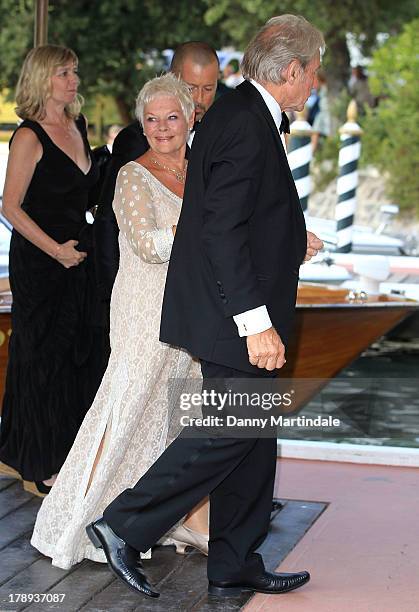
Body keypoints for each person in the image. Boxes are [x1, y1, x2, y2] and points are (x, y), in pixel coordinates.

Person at [86, 14, 325, 600]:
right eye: (315, 71)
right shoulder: (246, 121)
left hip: (231, 308)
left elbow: (238, 212)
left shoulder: (245, 113)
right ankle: (123, 524)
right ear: (292, 70)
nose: (317, 82)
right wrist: (255, 321)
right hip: (234, 316)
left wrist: (294, 238)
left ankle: (235, 562)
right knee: (224, 432)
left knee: (252, 437)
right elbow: (219, 230)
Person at [31, 74, 207, 569]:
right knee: (124, 410)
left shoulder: (203, 170)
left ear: (191, 117)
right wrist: (198, 225)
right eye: (151, 119)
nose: (161, 128)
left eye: (171, 117)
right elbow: (149, 246)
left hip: (191, 309)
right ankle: (78, 518)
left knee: (179, 414)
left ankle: (174, 518)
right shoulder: (132, 174)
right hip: (143, 308)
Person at [0, 45, 102, 494]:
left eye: (74, 71)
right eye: (64, 72)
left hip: (78, 256)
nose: (73, 79)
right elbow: (9, 207)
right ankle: (38, 463)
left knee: (75, 356)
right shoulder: (29, 136)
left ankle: (64, 452)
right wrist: (54, 251)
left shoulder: (77, 125)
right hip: (41, 261)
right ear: (43, 78)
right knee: (40, 357)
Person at [93, 41, 220, 308]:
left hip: (193, 300)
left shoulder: (217, 138)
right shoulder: (137, 141)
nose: (198, 98)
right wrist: (107, 295)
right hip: (141, 295)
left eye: (208, 89)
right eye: (190, 88)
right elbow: (107, 219)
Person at [311, 71, 331, 152]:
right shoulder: (323, 88)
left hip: (324, 113)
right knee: (316, 132)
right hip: (322, 113)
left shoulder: (323, 88)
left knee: (316, 132)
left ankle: (312, 152)